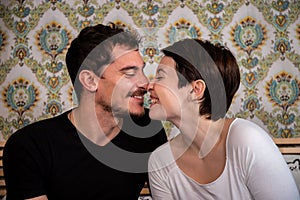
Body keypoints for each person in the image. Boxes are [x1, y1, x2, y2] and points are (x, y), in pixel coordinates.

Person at [3, 23, 167, 200]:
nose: (145, 83)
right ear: (89, 80)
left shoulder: (148, 130)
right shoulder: (30, 145)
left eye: (141, 70)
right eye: (129, 73)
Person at [147, 38, 299, 199]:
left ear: (196, 89)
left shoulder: (248, 140)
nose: (149, 86)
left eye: (160, 77)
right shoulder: (160, 162)